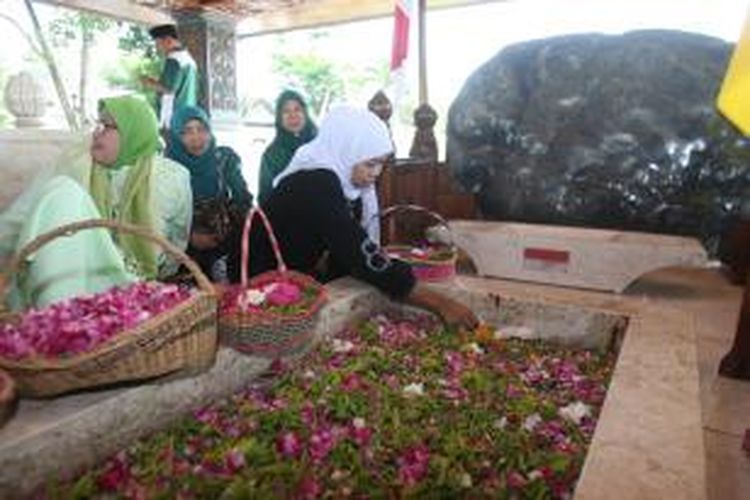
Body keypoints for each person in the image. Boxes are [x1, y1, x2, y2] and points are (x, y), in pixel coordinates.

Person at [227, 106, 478, 329]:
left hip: (289, 272)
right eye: (369, 164)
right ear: (346, 150)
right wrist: (440, 303)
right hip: (256, 275)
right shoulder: (316, 181)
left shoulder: (346, 185)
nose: (376, 174)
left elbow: (348, 252)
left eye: (380, 164)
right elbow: (356, 251)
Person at [0, 96, 192, 309]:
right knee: (65, 190)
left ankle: (60, 319)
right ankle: (56, 317)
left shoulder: (171, 176)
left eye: (108, 126)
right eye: (98, 124)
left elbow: (176, 245)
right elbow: (17, 220)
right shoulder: (74, 164)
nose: (97, 132)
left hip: (134, 287)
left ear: (133, 132)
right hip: (76, 275)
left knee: (66, 190)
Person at [167, 105, 252, 278]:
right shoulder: (167, 169)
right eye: (187, 131)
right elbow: (162, 217)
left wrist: (226, 230)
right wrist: (189, 238)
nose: (196, 137)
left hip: (225, 246)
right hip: (183, 253)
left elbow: (244, 200)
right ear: (176, 136)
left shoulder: (225, 160)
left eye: (202, 129)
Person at [258, 90, 317, 204]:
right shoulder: (272, 154)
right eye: (286, 111)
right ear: (279, 118)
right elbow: (265, 196)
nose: (293, 116)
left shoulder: (320, 144)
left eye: (297, 109)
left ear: (305, 113)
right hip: (287, 215)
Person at [141, 24, 199, 130]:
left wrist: (149, 82)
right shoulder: (189, 60)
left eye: (158, 43)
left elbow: (168, 89)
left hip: (172, 117)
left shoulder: (174, 59)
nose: (157, 48)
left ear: (168, 40)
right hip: (187, 114)